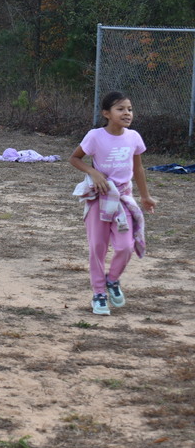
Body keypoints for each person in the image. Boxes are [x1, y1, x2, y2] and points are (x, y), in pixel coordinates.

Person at [69, 91, 157, 316]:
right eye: (120, 109)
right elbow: (75, 158)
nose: (127, 113)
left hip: (123, 201)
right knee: (97, 248)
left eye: (129, 109)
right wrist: (94, 173)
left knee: (125, 246)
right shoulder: (95, 136)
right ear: (106, 113)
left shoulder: (134, 137)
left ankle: (112, 279)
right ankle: (99, 293)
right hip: (99, 200)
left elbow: (138, 168)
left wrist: (145, 196)